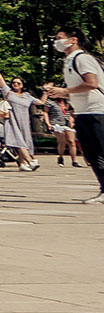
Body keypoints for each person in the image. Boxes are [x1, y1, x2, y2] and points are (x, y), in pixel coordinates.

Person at [44, 28, 104, 198]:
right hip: (82, 112)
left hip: (96, 111)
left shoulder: (82, 58)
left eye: (59, 38)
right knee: (91, 154)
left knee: (100, 151)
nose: (56, 42)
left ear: (73, 40)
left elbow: (92, 83)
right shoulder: (69, 61)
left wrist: (65, 90)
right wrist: (62, 93)